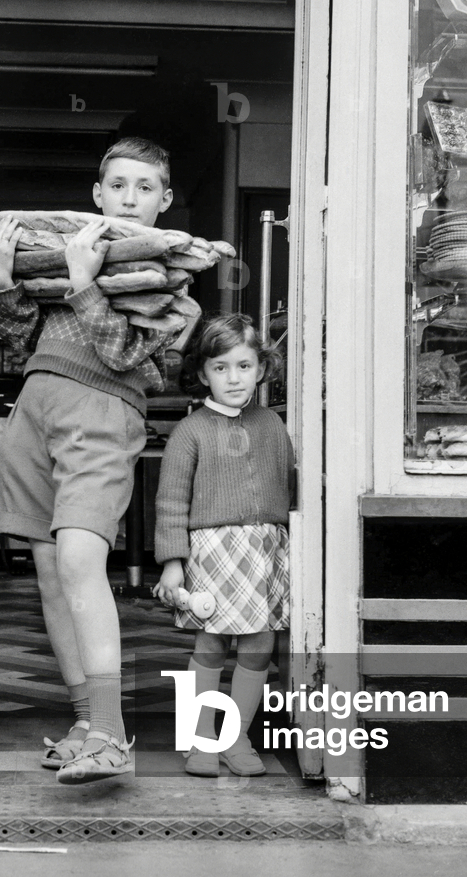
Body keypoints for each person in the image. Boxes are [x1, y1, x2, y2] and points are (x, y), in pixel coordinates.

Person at [0, 137, 184, 784]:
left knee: (79, 560)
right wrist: (2, 280)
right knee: (48, 573)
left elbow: (125, 356)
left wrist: (86, 285)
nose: (129, 197)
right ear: (97, 194)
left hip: (102, 414)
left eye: (145, 186)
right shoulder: (62, 259)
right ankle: (87, 724)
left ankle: (111, 735)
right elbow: (16, 343)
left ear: (165, 199)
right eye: (117, 184)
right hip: (34, 410)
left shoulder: (172, 284)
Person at [152, 313, 295, 778]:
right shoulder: (190, 431)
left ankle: (236, 737)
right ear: (202, 373)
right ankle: (200, 739)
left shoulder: (272, 425)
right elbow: (171, 501)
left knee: (259, 645)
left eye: (244, 366)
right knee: (211, 643)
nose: (234, 378)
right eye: (221, 368)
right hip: (212, 553)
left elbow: (289, 486)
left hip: (265, 551)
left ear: (261, 369)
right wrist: (173, 563)